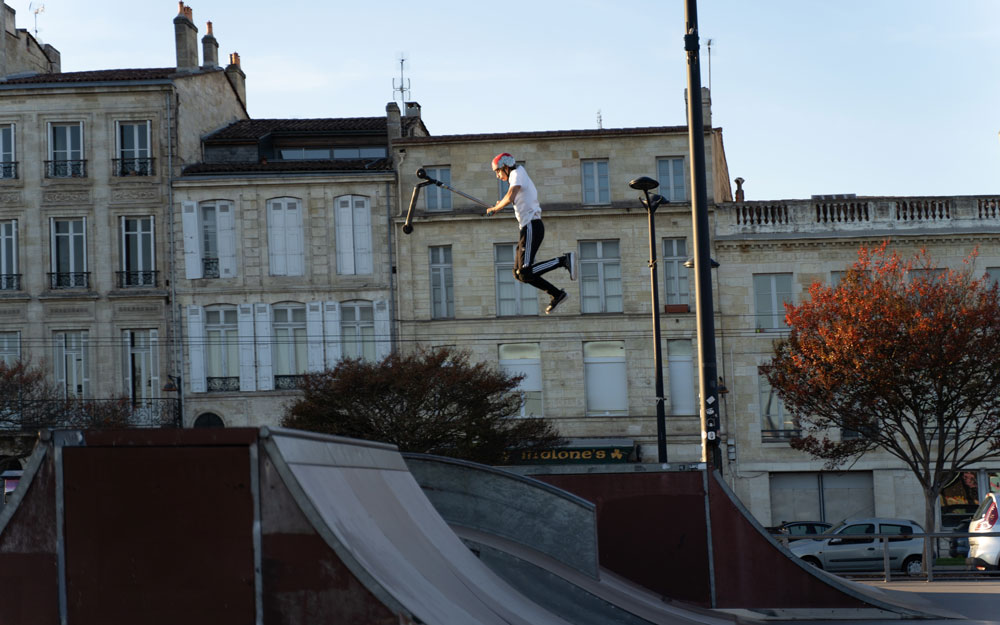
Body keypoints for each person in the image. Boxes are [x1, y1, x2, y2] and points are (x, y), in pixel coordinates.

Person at [486, 153, 576, 314]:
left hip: (531, 227)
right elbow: (512, 197)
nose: (497, 175)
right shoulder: (517, 175)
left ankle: (563, 260)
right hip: (527, 228)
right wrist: (500, 204)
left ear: (506, 167)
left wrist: (495, 208)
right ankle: (557, 294)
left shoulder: (517, 173)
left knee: (525, 272)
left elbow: (511, 194)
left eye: (498, 171)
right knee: (518, 274)